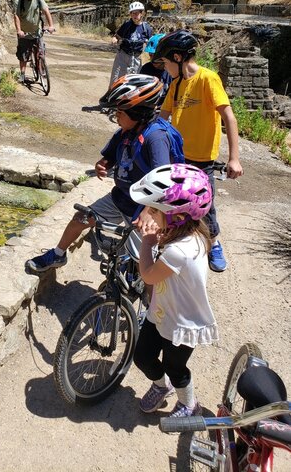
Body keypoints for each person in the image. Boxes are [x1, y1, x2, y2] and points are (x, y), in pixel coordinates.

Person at [25, 74, 179, 273]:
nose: (116, 116)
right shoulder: (126, 131)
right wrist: (103, 164)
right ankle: (58, 254)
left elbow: (164, 179)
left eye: (120, 112)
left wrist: (149, 212)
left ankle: (150, 299)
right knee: (80, 218)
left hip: (143, 209)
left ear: (137, 112)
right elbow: (111, 156)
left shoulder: (156, 138)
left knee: (144, 265)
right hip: (120, 198)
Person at [129, 163, 219, 417]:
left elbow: (147, 275)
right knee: (143, 357)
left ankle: (188, 403)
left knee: (175, 367)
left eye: (154, 210)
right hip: (161, 311)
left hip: (182, 323)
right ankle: (161, 386)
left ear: (176, 217)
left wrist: (147, 242)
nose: (148, 215)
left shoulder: (179, 251)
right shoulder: (185, 233)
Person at [155, 30, 243, 272]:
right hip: (178, 157)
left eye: (166, 63)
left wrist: (234, 158)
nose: (164, 68)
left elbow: (229, 117)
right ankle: (177, 241)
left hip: (202, 159)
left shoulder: (207, 79)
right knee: (173, 201)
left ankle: (214, 243)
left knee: (205, 207)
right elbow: (162, 119)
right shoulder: (175, 84)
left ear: (178, 57)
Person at [13, 0, 55, 83]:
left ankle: (41, 67)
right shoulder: (19, 1)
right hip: (24, 33)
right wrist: (19, 30)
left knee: (41, 51)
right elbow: (16, 16)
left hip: (37, 32)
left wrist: (51, 25)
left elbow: (46, 11)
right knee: (23, 55)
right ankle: (22, 75)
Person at [109, 2, 152, 88]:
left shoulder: (146, 28)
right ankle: (110, 97)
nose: (135, 16)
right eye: (133, 13)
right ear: (130, 14)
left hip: (137, 57)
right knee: (116, 78)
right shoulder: (126, 25)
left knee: (134, 81)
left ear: (141, 13)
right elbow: (118, 36)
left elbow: (150, 42)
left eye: (137, 13)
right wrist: (114, 39)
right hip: (123, 55)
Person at [140, 33, 171, 106]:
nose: (153, 60)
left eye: (156, 56)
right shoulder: (146, 69)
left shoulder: (171, 72)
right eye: (150, 55)